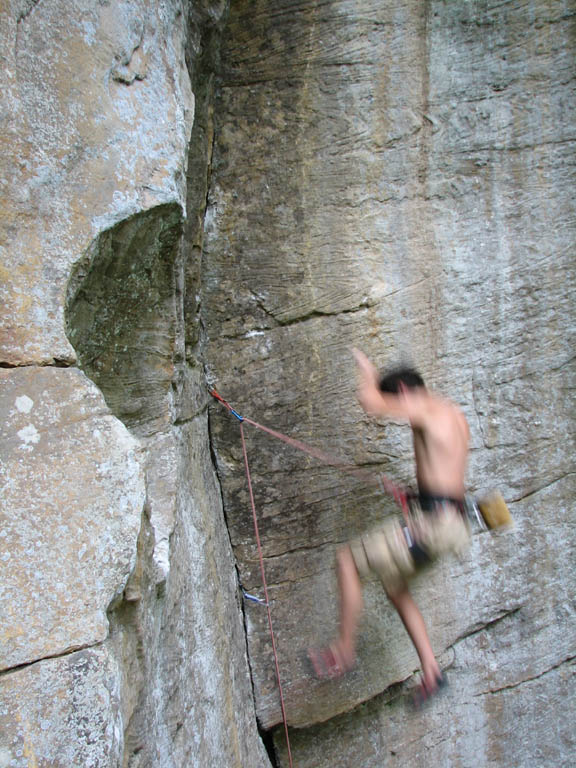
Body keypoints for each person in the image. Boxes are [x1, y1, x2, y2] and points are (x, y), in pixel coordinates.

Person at [309, 349, 471, 705]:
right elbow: (446, 476)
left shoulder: (424, 407)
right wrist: (415, 498)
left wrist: (367, 371)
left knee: (348, 561)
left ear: (402, 389)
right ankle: (431, 669)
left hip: (434, 527)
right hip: (452, 523)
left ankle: (344, 651)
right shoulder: (453, 414)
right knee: (395, 586)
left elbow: (371, 402)